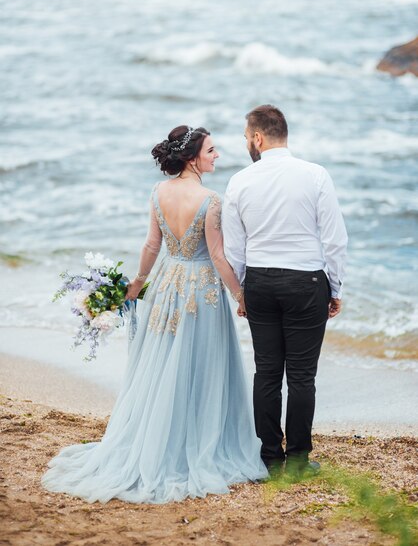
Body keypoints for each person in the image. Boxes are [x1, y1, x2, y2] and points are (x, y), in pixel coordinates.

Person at [41, 125, 268, 504]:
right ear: (193, 157)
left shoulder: (158, 192)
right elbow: (217, 256)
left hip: (166, 284)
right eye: (211, 151)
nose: (217, 156)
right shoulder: (211, 201)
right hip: (201, 290)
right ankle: (194, 443)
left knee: (164, 363)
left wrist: (137, 283)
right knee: (200, 366)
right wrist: (240, 294)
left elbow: (151, 244)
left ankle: (158, 436)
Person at [222, 105, 348, 473]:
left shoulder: (240, 181)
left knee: (267, 372)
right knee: (302, 376)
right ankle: (297, 460)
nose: (247, 143)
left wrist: (244, 290)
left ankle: (270, 459)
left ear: (258, 138)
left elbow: (234, 247)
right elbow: (335, 240)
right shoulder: (316, 175)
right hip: (306, 282)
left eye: (247, 138)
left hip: (260, 281)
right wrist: (335, 287)